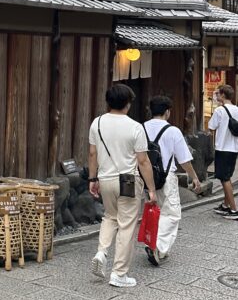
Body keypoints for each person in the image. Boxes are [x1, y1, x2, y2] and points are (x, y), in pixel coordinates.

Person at [88, 83, 157, 288]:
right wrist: (151, 188)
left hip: (105, 179)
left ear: (108, 102)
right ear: (128, 104)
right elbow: (143, 161)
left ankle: (102, 252)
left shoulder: (97, 123)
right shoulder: (136, 127)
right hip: (128, 180)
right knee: (126, 224)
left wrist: (93, 179)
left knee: (110, 216)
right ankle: (119, 273)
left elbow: (92, 154)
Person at [142, 95, 201, 265]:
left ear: (150, 110)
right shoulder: (173, 131)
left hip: (146, 177)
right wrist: (194, 177)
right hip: (166, 177)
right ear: (167, 112)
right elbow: (184, 160)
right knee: (171, 214)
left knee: (155, 210)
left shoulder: (141, 128)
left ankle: (154, 244)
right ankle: (157, 247)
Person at [208, 85, 238, 220]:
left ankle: (234, 209)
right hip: (234, 148)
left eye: (218, 94)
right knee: (227, 176)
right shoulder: (237, 109)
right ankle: (225, 205)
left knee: (224, 178)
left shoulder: (219, 110)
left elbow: (211, 126)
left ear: (223, 95)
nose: (216, 96)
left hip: (222, 148)